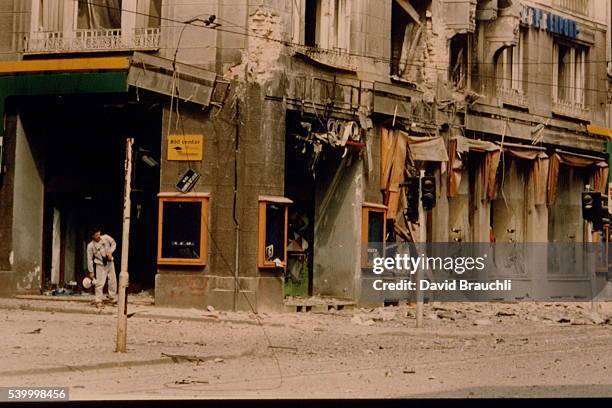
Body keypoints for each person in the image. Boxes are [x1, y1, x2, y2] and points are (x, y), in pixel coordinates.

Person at [87, 228, 117, 308]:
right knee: (100, 283)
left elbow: (114, 243)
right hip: (100, 264)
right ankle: (98, 300)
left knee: (112, 281)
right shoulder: (90, 246)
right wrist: (91, 271)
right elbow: (89, 259)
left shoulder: (106, 238)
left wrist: (110, 251)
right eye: (96, 235)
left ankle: (112, 298)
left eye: (99, 234)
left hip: (110, 262)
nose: (98, 236)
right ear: (92, 236)